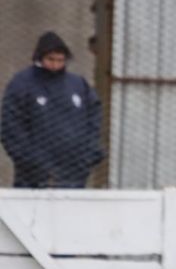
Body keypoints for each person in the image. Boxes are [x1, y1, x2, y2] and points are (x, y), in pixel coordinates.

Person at [1, 31, 103, 188]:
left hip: (73, 172)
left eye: (60, 60)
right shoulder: (22, 84)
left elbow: (94, 116)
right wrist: (29, 160)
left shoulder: (78, 84)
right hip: (33, 176)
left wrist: (87, 155)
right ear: (40, 58)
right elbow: (10, 126)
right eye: (51, 59)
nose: (55, 65)